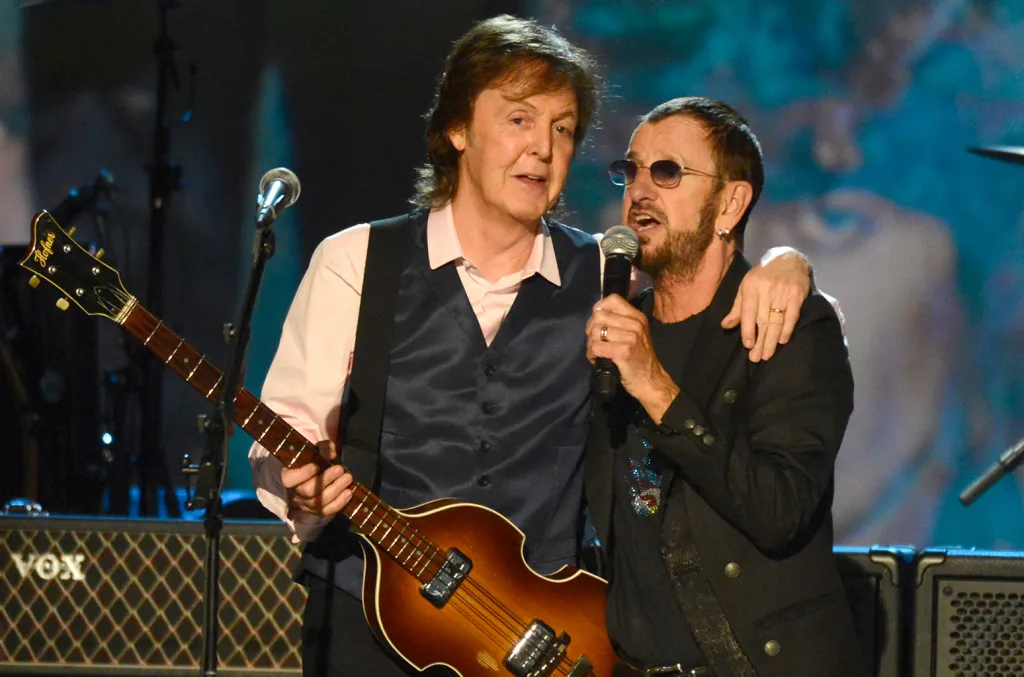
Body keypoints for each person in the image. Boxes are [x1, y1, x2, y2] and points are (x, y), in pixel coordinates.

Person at [249, 16, 816, 677]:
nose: (543, 149)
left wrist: (787, 261)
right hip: (373, 621)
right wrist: (300, 488)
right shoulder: (357, 261)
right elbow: (287, 427)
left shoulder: (605, 273)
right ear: (457, 128)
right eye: (520, 119)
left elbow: (708, 287)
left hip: (537, 636)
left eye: (563, 128)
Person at [584, 97, 865, 677]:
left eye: (667, 172)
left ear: (731, 204)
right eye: (630, 170)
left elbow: (780, 510)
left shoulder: (787, 327)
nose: (639, 190)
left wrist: (656, 387)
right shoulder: (615, 326)